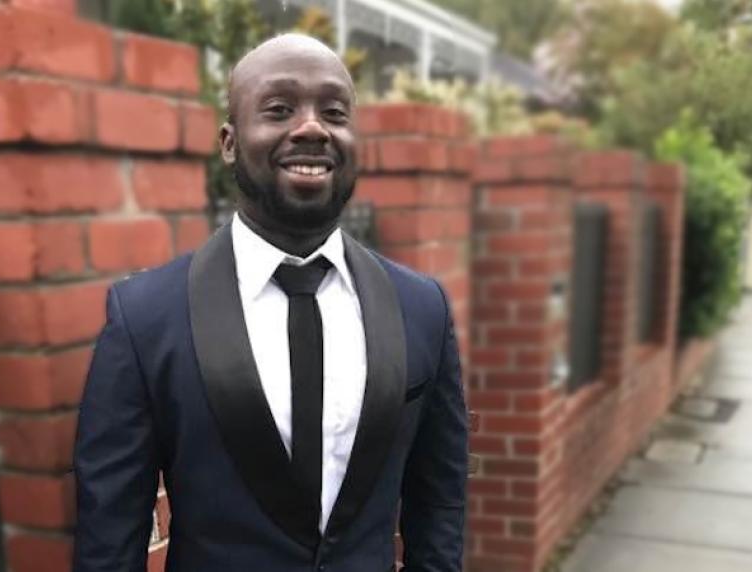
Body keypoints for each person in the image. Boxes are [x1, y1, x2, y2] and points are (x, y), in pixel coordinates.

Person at [73, 34, 467, 572]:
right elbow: (109, 533)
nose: (311, 127)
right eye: (279, 109)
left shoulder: (423, 309)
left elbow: (438, 500)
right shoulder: (144, 320)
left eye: (333, 111)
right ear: (230, 142)